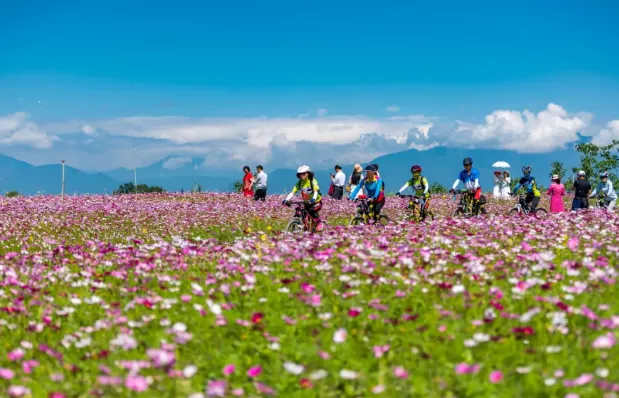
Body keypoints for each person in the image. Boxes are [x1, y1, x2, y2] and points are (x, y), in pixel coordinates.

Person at [283, 165, 324, 231]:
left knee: (312, 211)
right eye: (300, 174)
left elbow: (316, 192)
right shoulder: (299, 183)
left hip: (316, 201)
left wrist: (313, 199)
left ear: (308, 173)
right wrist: (286, 199)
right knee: (303, 214)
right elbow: (292, 192)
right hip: (307, 202)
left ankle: (319, 223)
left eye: (303, 174)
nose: (301, 175)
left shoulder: (313, 181)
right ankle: (306, 229)